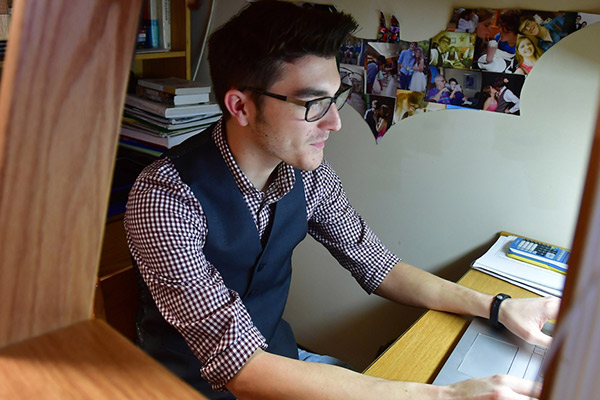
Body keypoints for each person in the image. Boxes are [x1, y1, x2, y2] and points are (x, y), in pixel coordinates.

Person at [125, 1, 558, 399]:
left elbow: (377, 264)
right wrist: (443, 396)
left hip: (281, 360)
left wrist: (498, 307)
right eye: (314, 103)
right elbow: (241, 368)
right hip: (189, 386)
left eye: (336, 98)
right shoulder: (165, 197)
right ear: (240, 106)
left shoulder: (304, 173)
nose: (334, 122)